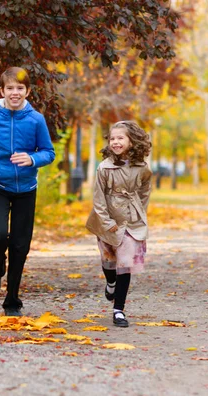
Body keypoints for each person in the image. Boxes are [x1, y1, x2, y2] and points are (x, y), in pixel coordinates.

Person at [0, 67, 55, 317]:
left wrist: (32, 158)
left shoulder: (36, 119)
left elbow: (48, 152)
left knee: (20, 246)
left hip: (26, 189)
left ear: (27, 91)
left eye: (19, 88)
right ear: (1, 91)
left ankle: (12, 301)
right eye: (9, 88)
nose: (14, 93)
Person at [85, 121, 152, 327]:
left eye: (120, 138)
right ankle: (110, 282)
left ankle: (118, 310)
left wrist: (139, 211)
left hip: (131, 221)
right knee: (109, 260)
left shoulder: (142, 168)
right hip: (108, 217)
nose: (115, 142)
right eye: (112, 138)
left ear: (132, 141)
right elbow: (98, 197)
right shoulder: (104, 168)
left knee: (125, 264)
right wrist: (106, 222)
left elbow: (145, 190)